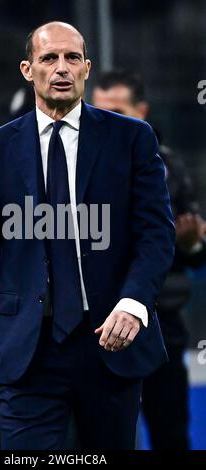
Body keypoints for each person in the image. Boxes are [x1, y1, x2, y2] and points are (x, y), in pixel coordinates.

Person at [0, 22, 175, 450]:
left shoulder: (131, 138)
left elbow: (156, 235)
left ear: (87, 68)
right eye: (49, 58)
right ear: (28, 69)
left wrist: (134, 303)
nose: (61, 68)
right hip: (27, 351)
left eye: (72, 58)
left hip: (109, 343)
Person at [92, 70, 206, 449]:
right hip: (92, 326)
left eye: (119, 110)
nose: (109, 120)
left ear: (141, 111)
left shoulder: (170, 167)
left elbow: (196, 248)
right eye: (101, 110)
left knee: (170, 432)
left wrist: (188, 243)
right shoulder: (74, 164)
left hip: (160, 323)